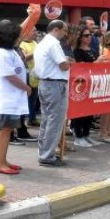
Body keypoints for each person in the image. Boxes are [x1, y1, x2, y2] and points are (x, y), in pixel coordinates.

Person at [0, 20, 31, 174]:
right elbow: (10, 76)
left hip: (12, 99)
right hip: (5, 100)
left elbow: (22, 28)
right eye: (16, 36)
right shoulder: (2, 53)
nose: (20, 38)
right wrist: (26, 87)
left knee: (8, 131)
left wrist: (30, 16)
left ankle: (3, 160)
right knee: (4, 131)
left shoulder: (10, 51)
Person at [33, 20, 70, 167]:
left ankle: (44, 152)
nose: (65, 33)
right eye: (64, 30)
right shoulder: (54, 43)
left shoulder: (42, 43)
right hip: (55, 84)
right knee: (55, 120)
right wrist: (68, 61)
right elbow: (63, 65)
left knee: (47, 119)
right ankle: (47, 155)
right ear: (57, 29)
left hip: (45, 83)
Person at [71, 26, 101, 148]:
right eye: (86, 35)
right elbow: (80, 68)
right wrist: (96, 63)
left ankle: (86, 134)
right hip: (80, 84)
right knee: (80, 111)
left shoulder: (92, 49)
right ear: (80, 37)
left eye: (90, 35)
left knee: (90, 111)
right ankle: (78, 136)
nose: (89, 38)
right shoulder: (76, 51)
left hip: (92, 83)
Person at [19, 29, 40, 126]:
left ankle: (32, 118)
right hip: (26, 74)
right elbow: (24, 57)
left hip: (36, 75)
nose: (36, 33)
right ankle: (24, 120)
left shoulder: (35, 42)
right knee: (27, 97)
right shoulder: (21, 44)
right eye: (34, 31)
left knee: (34, 98)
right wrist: (37, 51)